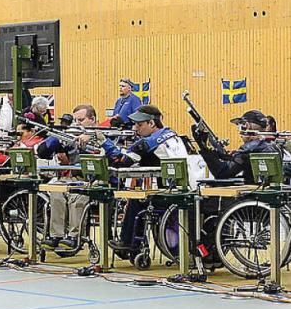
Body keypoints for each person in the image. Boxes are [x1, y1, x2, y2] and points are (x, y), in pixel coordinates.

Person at [104, 105, 190, 253]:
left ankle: (129, 243)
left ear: (151, 123)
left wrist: (103, 142)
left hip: (169, 195)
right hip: (183, 189)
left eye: (139, 124)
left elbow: (121, 162)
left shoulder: (148, 142)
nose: (136, 128)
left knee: (137, 200)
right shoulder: (172, 134)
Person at [40, 104, 99, 251]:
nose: (77, 124)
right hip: (74, 177)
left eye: (81, 120)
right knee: (56, 191)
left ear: (92, 120)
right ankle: (56, 235)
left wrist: (91, 137)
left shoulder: (103, 134)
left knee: (77, 195)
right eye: (76, 121)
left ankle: (75, 236)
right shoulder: (72, 136)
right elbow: (43, 152)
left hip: (96, 179)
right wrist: (54, 139)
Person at [194, 109, 276, 184]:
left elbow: (222, 173)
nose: (239, 132)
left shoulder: (249, 148)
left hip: (253, 196)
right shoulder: (270, 143)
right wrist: (219, 154)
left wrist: (202, 147)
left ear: (247, 126)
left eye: (240, 126)